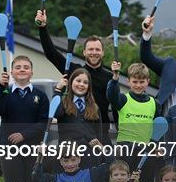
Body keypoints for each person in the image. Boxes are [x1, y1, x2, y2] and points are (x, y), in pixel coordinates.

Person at [35, 10, 116, 145]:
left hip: (100, 135)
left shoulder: (110, 77)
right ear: (84, 52)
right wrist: (43, 28)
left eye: (97, 50)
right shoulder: (74, 71)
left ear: (102, 52)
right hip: (73, 135)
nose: (94, 53)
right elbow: (51, 54)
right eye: (90, 49)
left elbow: (116, 107)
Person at [106, 62, 161, 182]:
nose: (138, 85)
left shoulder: (154, 103)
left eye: (142, 81)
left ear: (147, 81)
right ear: (128, 81)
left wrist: (157, 145)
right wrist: (114, 78)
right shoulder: (122, 99)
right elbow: (111, 95)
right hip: (125, 149)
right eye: (135, 81)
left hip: (146, 151)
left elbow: (159, 127)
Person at [54, 68, 102, 168]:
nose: (81, 84)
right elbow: (55, 113)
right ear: (71, 82)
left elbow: (99, 134)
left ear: (89, 86)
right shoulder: (64, 103)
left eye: (85, 82)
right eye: (78, 81)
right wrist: (58, 90)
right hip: (69, 156)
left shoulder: (95, 107)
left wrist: (99, 153)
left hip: (90, 155)